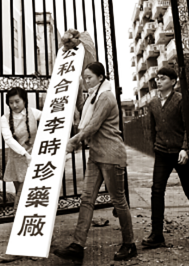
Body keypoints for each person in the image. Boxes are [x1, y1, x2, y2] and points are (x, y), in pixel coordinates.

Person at [53, 61, 137, 263]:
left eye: (89, 77)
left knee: (118, 200)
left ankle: (130, 244)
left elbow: (93, 125)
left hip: (111, 155)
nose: (86, 81)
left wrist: (73, 141)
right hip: (96, 156)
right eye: (84, 78)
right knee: (86, 199)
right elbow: (84, 116)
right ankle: (77, 246)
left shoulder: (105, 97)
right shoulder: (93, 97)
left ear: (101, 77)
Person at [142, 67, 189, 248]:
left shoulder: (181, 101)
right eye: (157, 78)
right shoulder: (153, 103)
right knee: (156, 190)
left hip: (180, 153)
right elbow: (152, 128)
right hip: (162, 153)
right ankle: (157, 234)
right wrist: (155, 147)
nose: (158, 81)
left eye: (162, 78)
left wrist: (185, 148)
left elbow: (188, 127)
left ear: (173, 81)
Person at [0, 87, 42, 263]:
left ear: (24, 100)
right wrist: (25, 153)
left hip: (34, 162)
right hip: (18, 161)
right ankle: (29, 244)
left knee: (26, 203)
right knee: (23, 200)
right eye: (11, 102)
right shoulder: (5, 118)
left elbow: (52, 121)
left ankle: (25, 245)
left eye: (17, 101)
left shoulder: (35, 113)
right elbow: (8, 139)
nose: (14, 105)